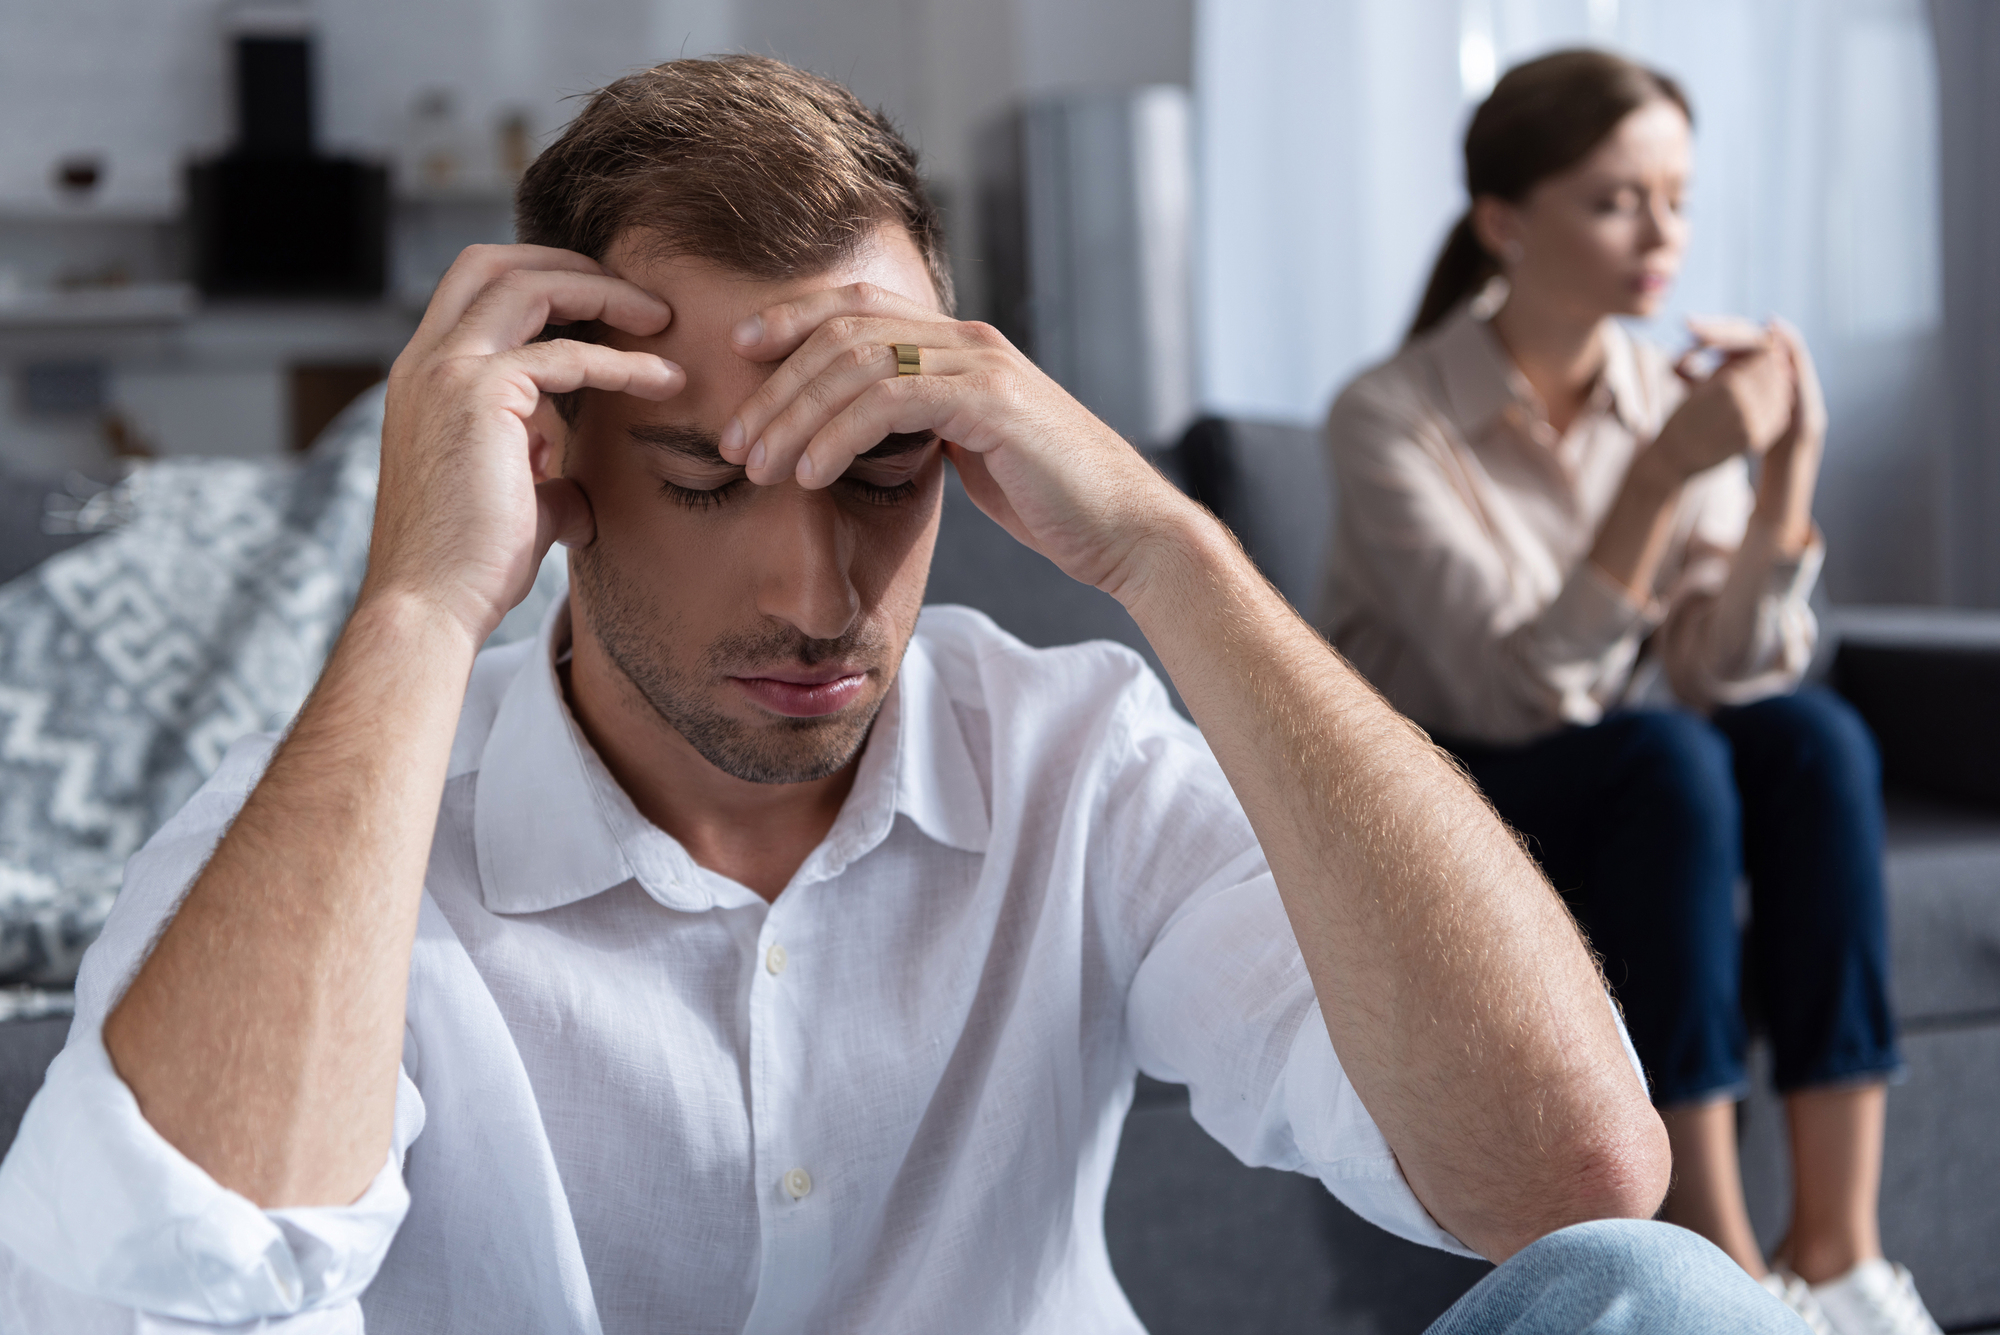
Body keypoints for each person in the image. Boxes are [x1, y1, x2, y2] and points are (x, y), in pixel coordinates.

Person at [0, 55, 1795, 1335]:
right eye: (706, 481)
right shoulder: (335, 813)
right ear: (555, 466)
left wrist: (1172, 551)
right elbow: (137, 1293)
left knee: (1662, 1303)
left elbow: (1563, 1177)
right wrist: (412, 601)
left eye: (883, 473)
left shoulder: (1075, 756)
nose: (815, 593)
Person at [1320, 47, 1936, 1335]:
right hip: (1458, 794)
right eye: (1616, 199)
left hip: (1621, 769)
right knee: (1672, 766)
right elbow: (1519, 689)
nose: (1664, 234)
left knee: (1816, 737)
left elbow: (1733, 664)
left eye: (1678, 196)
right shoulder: (1389, 418)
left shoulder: (1661, 392)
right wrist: (1658, 482)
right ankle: (1721, 1265)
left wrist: (1787, 466)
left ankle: (1839, 1256)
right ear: (1505, 219)